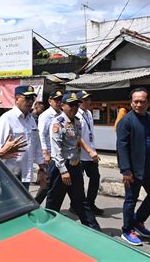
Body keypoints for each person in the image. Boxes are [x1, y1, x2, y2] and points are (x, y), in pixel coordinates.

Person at [45, 92, 101, 231]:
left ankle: (94, 230)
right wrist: (63, 171)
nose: (74, 107)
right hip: (60, 168)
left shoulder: (77, 122)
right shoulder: (58, 122)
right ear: (62, 105)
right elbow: (56, 149)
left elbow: (77, 141)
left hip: (75, 166)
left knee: (81, 201)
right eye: (71, 105)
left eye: (76, 104)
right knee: (54, 202)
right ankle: (48, 231)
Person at [117, 87, 150, 246]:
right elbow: (122, 146)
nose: (139, 104)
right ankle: (127, 229)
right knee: (131, 199)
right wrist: (126, 170)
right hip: (134, 169)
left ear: (149, 103)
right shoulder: (126, 121)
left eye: (142, 101)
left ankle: (138, 220)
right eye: (136, 101)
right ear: (131, 102)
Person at [0, 86, 44, 192]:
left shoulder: (31, 120)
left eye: (32, 99)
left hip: (26, 173)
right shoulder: (7, 119)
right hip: (10, 175)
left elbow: (37, 146)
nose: (30, 101)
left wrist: (42, 168)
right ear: (17, 99)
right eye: (27, 98)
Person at [75, 90, 104, 215]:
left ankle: (90, 203)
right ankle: (76, 205)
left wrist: (93, 150)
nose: (88, 102)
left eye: (89, 99)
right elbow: (77, 136)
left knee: (95, 178)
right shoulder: (76, 114)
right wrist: (89, 150)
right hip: (81, 154)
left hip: (91, 153)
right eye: (85, 100)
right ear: (79, 102)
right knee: (78, 182)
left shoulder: (89, 113)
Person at [35, 90, 63, 204]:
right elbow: (41, 134)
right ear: (50, 101)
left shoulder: (62, 114)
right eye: (56, 100)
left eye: (60, 100)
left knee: (58, 183)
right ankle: (35, 204)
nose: (58, 102)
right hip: (50, 154)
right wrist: (45, 152)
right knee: (47, 183)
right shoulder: (46, 115)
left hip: (60, 153)